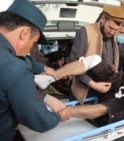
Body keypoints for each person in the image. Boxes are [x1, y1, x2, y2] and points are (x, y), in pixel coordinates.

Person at [0, 0, 71, 140]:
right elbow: (37, 120)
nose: (29, 49)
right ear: (24, 33)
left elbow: (24, 60)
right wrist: (58, 117)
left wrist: (44, 68)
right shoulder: (15, 69)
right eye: (33, 43)